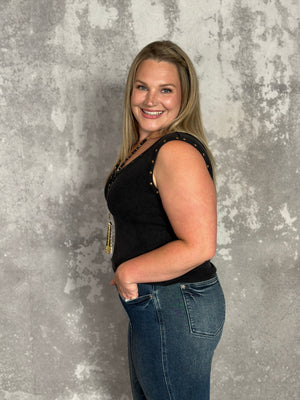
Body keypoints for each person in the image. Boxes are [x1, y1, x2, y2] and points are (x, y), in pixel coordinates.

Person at [104, 40, 225, 400]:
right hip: (159, 301)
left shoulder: (175, 150)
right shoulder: (145, 147)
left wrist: (129, 271)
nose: (150, 100)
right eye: (142, 87)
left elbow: (200, 246)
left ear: (184, 96)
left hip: (174, 301)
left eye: (165, 90)